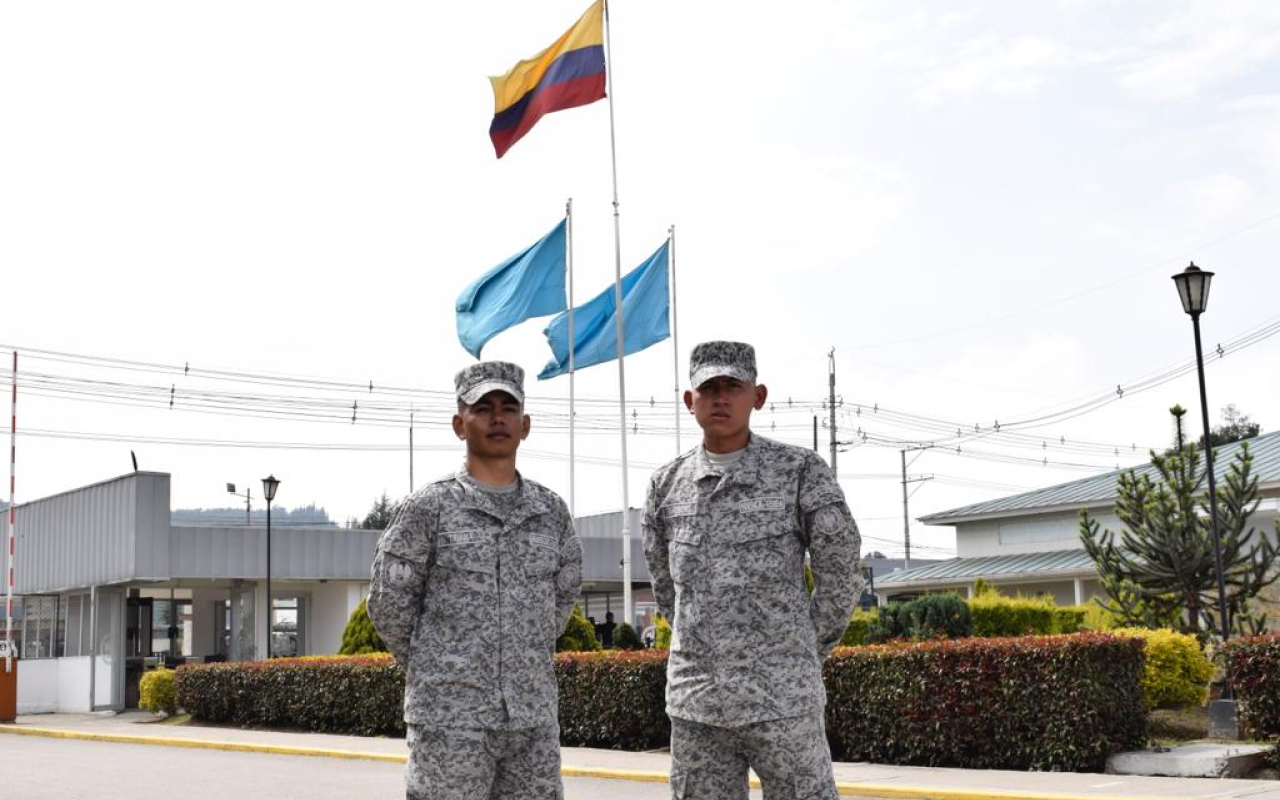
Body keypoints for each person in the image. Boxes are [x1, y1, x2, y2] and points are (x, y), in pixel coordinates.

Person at [643, 341, 864, 800]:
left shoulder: (799, 470)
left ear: (757, 396)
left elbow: (840, 569)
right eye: (709, 388)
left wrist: (803, 648)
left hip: (783, 702)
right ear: (690, 401)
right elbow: (668, 590)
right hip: (698, 706)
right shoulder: (666, 486)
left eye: (733, 386)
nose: (720, 398)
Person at [367, 361, 582, 800]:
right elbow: (389, 606)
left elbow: (562, 599)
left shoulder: (551, 513)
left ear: (526, 425)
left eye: (508, 408)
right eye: (483, 407)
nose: (497, 418)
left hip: (532, 720)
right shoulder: (430, 508)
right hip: (450, 720)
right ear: (459, 424)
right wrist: (438, 665)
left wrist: (521, 654)